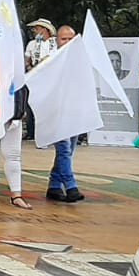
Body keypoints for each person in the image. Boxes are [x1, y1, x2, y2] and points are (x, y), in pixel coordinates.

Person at [45, 24, 85, 202]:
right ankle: (71, 186)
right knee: (64, 149)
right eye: (64, 39)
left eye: (71, 39)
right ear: (57, 40)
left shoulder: (81, 60)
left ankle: (54, 186)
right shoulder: (51, 60)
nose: (67, 42)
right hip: (57, 111)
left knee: (68, 151)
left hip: (74, 111)